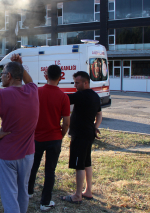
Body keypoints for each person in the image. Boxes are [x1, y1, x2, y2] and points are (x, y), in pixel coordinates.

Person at [0, 54, 39, 213]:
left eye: (2, 73)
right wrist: (19, 65)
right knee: (23, 191)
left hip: (7, 154)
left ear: (8, 76)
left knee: (10, 195)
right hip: (28, 154)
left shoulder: (1, 95)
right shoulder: (32, 90)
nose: (1, 77)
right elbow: (29, 81)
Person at [27, 65, 70, 211]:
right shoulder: (64, 97)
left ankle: (28, 192)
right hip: (54, 138)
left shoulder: (37, 92)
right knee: (50, 171)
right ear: (61, 77)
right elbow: (66, 122)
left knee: (33, 167)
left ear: (46, 76)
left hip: (37, 137)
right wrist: (61, 135)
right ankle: (45, 202)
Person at [60, 71, 102, 204]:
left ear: (86, 82)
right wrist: (95, 126)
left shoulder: (81, 95)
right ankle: (88, 191)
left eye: (77, 83)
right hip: (89, 133)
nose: (75, 85)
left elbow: (64, 99)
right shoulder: (95, 96)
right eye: (74, 82)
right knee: (86, 162)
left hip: (81, 135)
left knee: (79, 165)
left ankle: (77, 195)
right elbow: (99, 114)